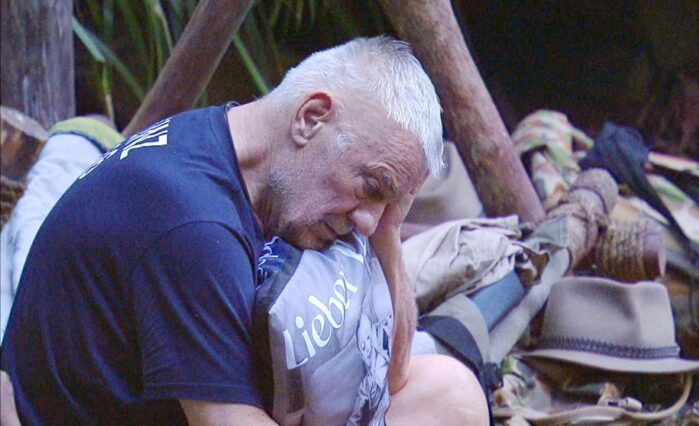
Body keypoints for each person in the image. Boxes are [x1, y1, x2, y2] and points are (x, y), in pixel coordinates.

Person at [1, 36, 488, 424]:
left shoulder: (248, 155)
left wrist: (389, 231)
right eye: (373, 187)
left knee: (450, 395)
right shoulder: (192, 224)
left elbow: (392, 374)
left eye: (389, 203)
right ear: (311, 118)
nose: (367, 221)